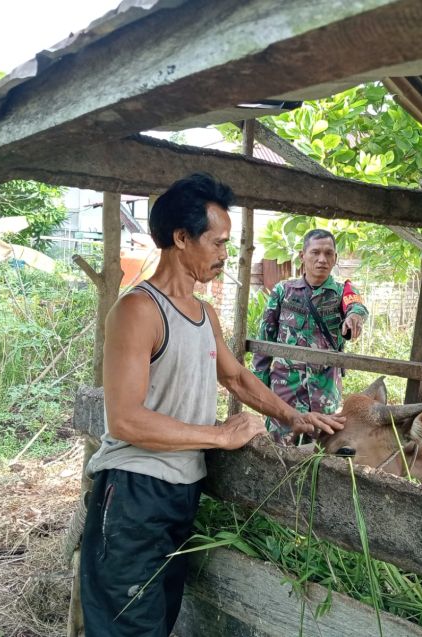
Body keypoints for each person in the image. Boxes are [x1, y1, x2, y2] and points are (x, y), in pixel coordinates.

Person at [79, 173, 344, 637]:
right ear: (182, 238)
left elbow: (236, 376)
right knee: (128, 626)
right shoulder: (138, 310)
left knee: (158, 619)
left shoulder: (203, 313)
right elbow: (124, 420)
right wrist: (219, 436)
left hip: (182, 491)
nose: (225, 254)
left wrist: (293, 416)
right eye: (218, 242)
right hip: (135, 491)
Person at [253, 228, 368, 445]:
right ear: (302, 256)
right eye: (315, 252)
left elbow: (356, 306)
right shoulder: (283, 291)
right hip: (285, 392)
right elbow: (264, 339)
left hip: (325, 393)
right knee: (280, 450)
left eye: (328, 253)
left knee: (319, 453)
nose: (322, 259)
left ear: (335, 258)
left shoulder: (341, 292)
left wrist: (354, 316)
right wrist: (259, 386)